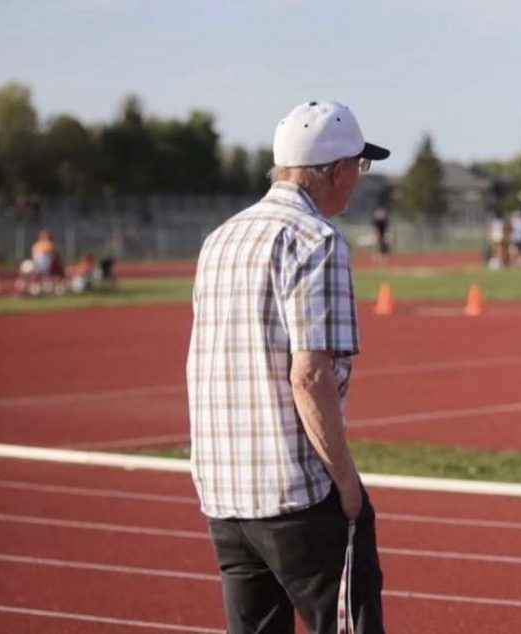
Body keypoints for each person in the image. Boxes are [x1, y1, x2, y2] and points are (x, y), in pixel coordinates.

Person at [187, 101, 388, 634]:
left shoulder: (220, 239)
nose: (357, 182)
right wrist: (345, 482)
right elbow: (309, 374)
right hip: (294, 488)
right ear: (338, 169)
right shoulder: (316, 239)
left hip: (225, 490)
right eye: (359, 168)